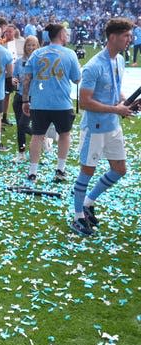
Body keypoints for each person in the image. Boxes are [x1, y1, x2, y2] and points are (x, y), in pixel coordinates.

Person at [70, 18, 137, 236]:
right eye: (127, 36)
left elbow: (115, 91)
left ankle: (88, 203)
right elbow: (85, 102)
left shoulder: (119, 60)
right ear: (113, 37)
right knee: (87, 171)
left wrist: (126, 102)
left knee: (120, 169)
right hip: (95, 128)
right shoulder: (93, 66)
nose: (130, 39)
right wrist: (116, 109)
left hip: (113, 126)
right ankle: (77, 216)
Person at [22, 23, 81, 182]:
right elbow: (77, 79)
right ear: (61, 35)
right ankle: (60, 170)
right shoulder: (69, 54)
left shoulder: (36, 54)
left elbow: (26, 79)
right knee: (64, 135)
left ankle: (32, 172)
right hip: (61, 104)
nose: (67, 36)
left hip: (39, 103)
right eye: (66, 34)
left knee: (37, 136)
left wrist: (25, 100)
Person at [12, 35, 40, 161]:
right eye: (29, 45)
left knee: (23, 124)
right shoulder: (19, 61)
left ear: (38, 46)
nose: (31, 47)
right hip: (18, 96)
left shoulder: (40, 62)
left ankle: (42, 137)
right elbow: (14, 76)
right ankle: (21, 153)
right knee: (19, 126)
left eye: (33, 45)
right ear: (25, 46)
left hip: (32, 97)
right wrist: (14, 80)